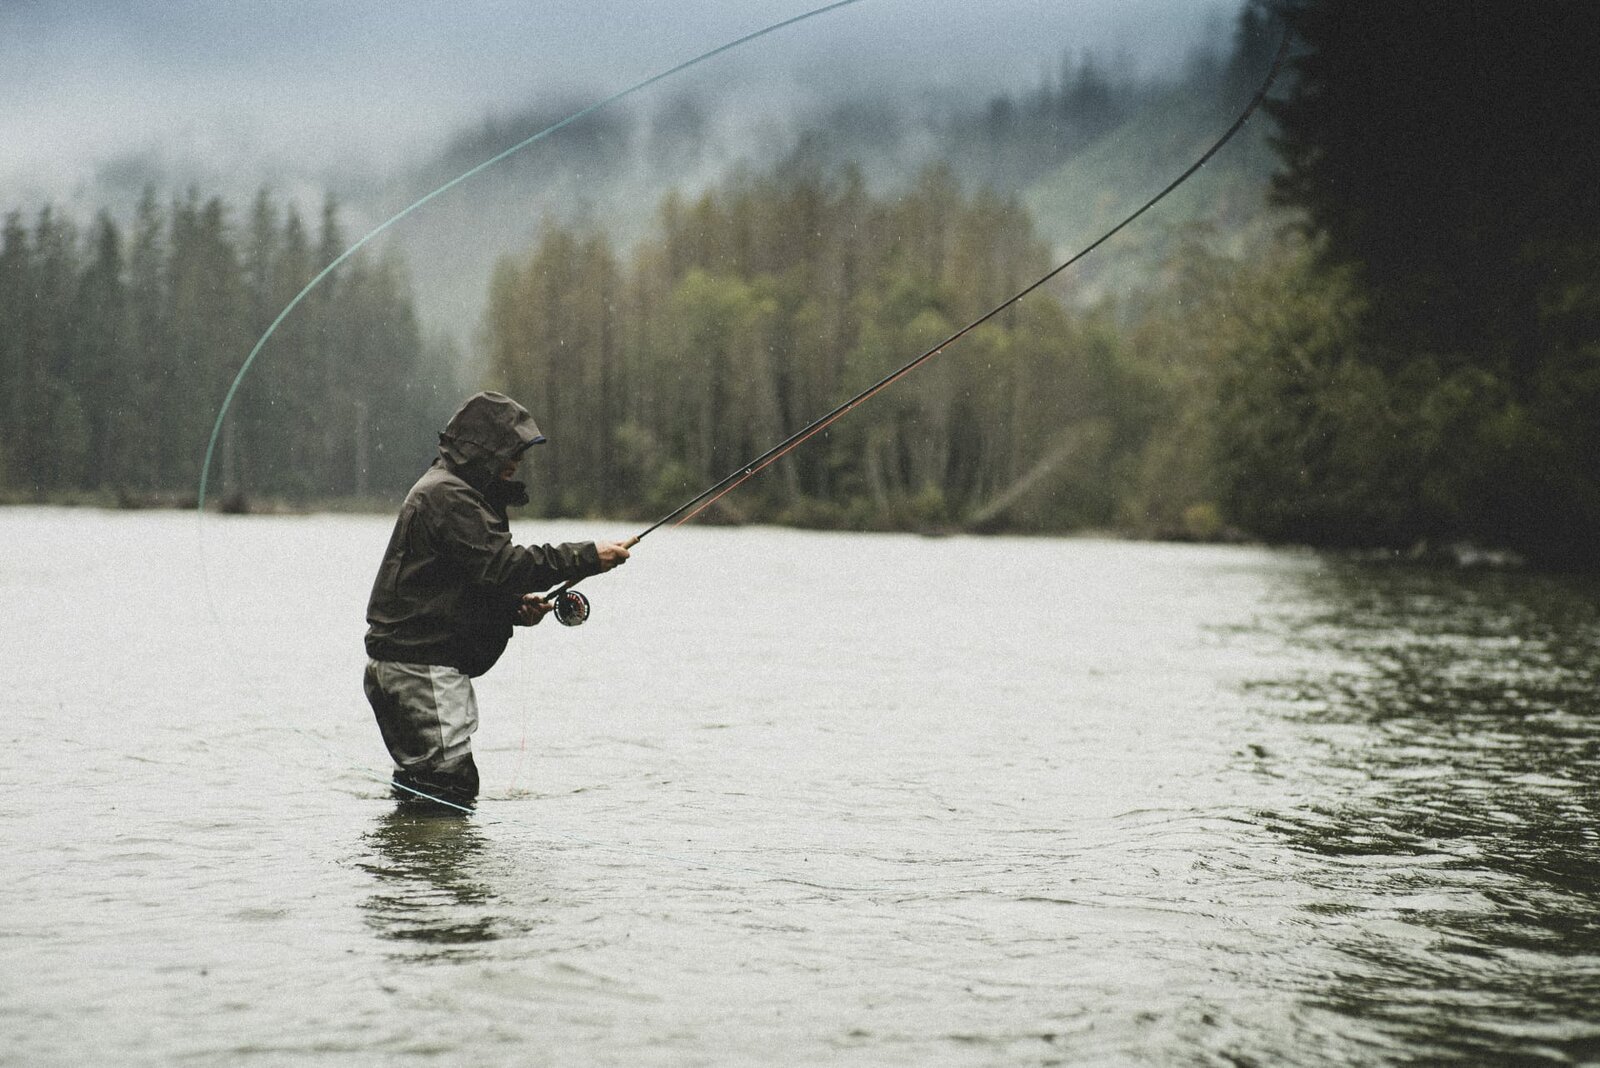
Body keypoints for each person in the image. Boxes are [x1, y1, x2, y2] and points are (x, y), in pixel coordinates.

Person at [363, 391, 631, 808]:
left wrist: (511, 609)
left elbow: (452, 583)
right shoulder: (448, 495)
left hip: (404, 665)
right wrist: (587, 556)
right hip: (421, 669)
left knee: (423, 785)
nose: (515, 464)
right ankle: (426, 849)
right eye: (511, 453)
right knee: (449, 786)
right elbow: (502, 566)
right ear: (483, 448)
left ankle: (406, 848)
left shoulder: (444, 489)